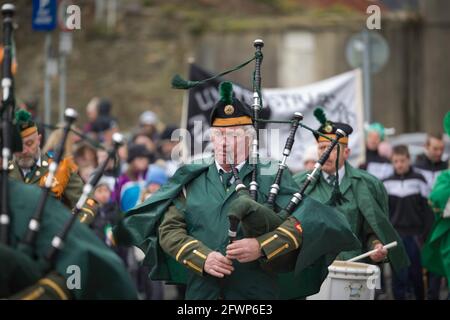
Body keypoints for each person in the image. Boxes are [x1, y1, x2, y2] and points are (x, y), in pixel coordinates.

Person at [114, 82, 307, 299]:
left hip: (256, 294)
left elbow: (299, 224)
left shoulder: (272, 174)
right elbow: (169, 230)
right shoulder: (192, 177)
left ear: (249, 139)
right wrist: (201, 257)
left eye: (233, 135)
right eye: (219, 135)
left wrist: (261, 247)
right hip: (202, 294)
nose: (224, 143)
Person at [293, 109, 409, 271]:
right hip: (311, 271)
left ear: (346, 152)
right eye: (321, 147)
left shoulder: (368, 184)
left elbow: (373, 230)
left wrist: (375, 246)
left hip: (354, 270)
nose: (325, 153)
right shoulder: (299, 184)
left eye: (332, 148)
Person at [8, 110, 98, 224]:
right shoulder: (5, 172)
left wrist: (68, 231)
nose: (25, 150)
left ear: (39, 140)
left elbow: (87, 203)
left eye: (29, 143)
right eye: (19, 145)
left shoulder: (60, 168)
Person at [383, 145, 434, 299]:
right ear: (392, 162)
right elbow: (384, 213)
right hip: (396, 236)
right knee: (398, 276)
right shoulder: (386, 183)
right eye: (396, 161)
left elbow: (427, 210)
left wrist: (425, 235)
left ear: (409, 160)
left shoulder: (419, 179)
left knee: (417, 275)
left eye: (403, 161)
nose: (399, 164)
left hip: (416, 236)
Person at [422, 112, 450, 300]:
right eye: (435, 148)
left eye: (441, 149)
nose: (438, 152)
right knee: (433, 275)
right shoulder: (418, 168)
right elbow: (435, 199)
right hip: (427, 227)